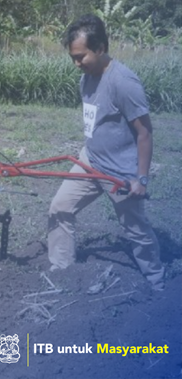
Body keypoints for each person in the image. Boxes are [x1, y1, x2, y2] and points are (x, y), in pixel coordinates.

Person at [48, 14, 165, 291]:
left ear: (100, 48)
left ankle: (157, 280)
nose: (77, 63)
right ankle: (61, 269)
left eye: (81, 56)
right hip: (91, 160)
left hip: (121, 171)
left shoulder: (123, 82)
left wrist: (142, 178)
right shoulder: (86, 78)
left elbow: (145, 133)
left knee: (136, 230)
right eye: (72, 57)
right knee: (60, 207)